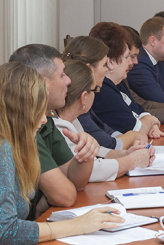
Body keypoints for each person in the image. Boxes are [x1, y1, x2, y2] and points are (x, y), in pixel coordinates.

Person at [0, 62, 124, 245]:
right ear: (16, 111)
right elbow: (6, 230)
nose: (43, 120)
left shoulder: (18, 144)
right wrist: (78, 225)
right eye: (37, 110)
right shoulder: (4, 149)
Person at [9, 44, 99, 219]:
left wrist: (87, 154)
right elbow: (65, 196)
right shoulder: (24, 127)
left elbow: (76, 181)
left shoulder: (46, 120)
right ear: (43, 83)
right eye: (62, 75)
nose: (69, 81)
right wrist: (50, 198)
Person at [54, 60, 155, 182]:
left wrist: (127, 153)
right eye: (95, 90)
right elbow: (89, 170)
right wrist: (132, 161)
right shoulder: (59, 126)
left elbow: (97, 153)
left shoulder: (74, 120)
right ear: (84, 97)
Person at [63, 36, 148, 149]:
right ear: (90, 69)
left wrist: (128, 139)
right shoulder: (79, 103)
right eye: (104, 65)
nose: (106, 69)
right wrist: (133, 136)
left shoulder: (89, 95)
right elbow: (109, 144)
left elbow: (104, 129)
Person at [89, 22, 164, 137]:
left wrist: (151, 123)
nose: (131, 62)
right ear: (110, 62)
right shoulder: (103, 90)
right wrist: (151, 121)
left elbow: (139, 110)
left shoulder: (119, 83)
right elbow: (136, 128)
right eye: (126, 57)